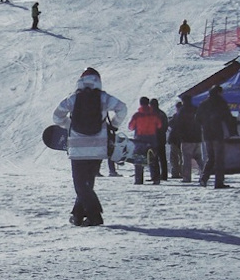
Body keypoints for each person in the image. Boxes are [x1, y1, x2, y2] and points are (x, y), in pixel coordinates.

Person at [52, 67, 127, 225]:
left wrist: (68, 125)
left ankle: (95, 217)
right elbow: (122, 108)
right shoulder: (104, 98)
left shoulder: (72, 98)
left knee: (80, 185)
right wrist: (113, 125)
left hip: (77, 148)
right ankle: (78, 215)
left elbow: (56, 116)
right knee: (87, 183)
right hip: (98, 147)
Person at [196, 85, 237, 188]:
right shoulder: (221, 103)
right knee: (219, 159)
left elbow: (197, 119)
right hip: (218, 134)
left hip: (207, 135)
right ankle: (218, 182)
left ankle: (204, 178)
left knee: (210, 158)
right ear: (219, 92)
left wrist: (205, 125)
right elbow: (228, 117)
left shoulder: (203, 103)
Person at [128, 97, 162, 185]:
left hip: (140, 139)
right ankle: (156, 178)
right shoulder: (154, 115)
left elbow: (130, 127)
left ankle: (139, 179)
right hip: (152, 139)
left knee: (139, 159)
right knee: (153, 159)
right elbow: (159, 125)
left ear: (140, 104)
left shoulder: (137, 115)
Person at [170, 100, 203, 183]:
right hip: (197, 138)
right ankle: (205, 174)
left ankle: (186, 177)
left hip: (186, 139)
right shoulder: (196, 111)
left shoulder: (180, 114)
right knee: (198, 158)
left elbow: (176, 125)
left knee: (186, 159)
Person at [150, 97, 170, 180]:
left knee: (153, 157)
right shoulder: (162, 114)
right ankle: (164, 175)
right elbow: (165, 126)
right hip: (161, 138)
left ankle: (155, 175)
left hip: (153, 138)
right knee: (162, 157)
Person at [167, 100, 183, 179]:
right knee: (182, 157)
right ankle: (182, 172)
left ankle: (175, 173)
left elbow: (170, 123)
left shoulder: (176, 116)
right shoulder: (186, 115)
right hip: (183, 139)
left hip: (174, 138)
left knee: (174, 157)